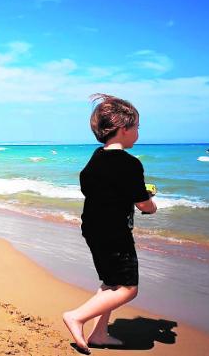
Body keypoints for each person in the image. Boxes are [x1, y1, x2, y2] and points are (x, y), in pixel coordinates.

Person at [63, 94, 157, 354]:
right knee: (128, 289)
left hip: (93, 230)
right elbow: (143, 204)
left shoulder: (95, 158)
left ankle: (100, 333)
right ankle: (77, 316)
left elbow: (98, 188)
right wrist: (150, 202)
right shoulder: (130, 164)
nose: (138, 132)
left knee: (110, 283)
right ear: (124, 129)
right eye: (136, 127)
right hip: (115, 235)